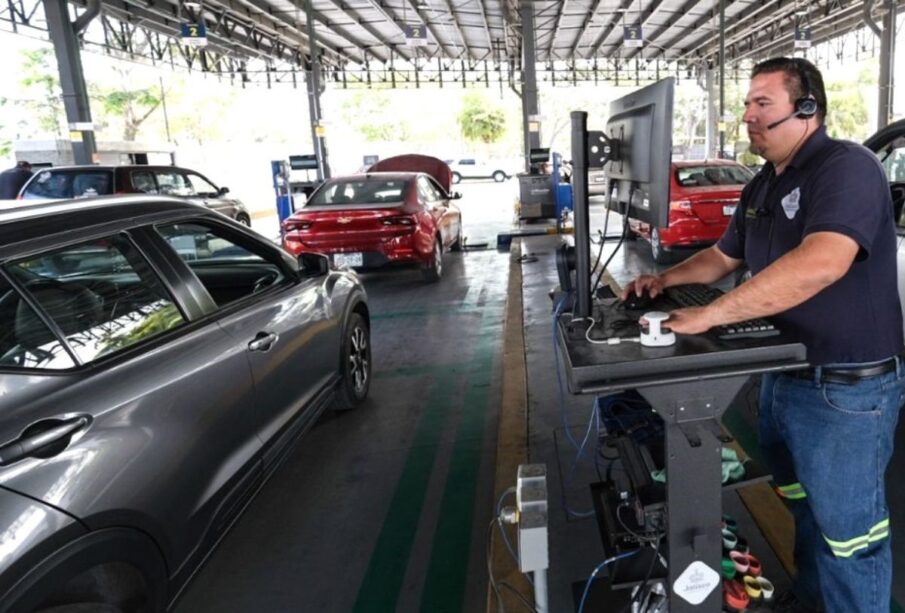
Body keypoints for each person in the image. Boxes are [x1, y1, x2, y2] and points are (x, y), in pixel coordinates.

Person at [622, 57, 905, 613]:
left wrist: (710, 316)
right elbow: (722, 257)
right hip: (784, 378)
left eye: (762, 104)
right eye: (747, 104)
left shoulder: (845, 167)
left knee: (851, 539)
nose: (747, 116)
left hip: (844, 391)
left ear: (807, 110)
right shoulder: (762, 184)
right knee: (804, 509)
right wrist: (663, 279)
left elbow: (823, 261)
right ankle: (813, 599)